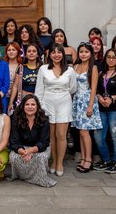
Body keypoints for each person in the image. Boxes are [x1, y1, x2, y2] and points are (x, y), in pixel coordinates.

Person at [35, 43, 77, 176]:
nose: (56, 55)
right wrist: (40, 107)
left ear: (63, 55)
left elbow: (73, 88)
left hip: (64, 101)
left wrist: (61, 93)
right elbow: (39, 89)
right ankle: (53, 161)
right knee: (51, 135)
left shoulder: (70, 70)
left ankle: (60, 163)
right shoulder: (43, 69)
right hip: (47, 102)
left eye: (59, 52)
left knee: (61, 134)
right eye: (53, 52)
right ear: (49, 55)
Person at [9, 94, 56, 188]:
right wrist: (23, 151)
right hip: (22, 147)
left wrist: (31, 150)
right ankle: (23, 176)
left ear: (37, 106)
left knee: (40, 157)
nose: (30, 107)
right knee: (14, 157)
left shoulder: (44, 119)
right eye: (27, 104)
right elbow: (14, 141)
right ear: (23, 106)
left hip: (39, 148)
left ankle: (38, 178)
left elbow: (44, 142)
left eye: (33, 104)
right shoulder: (16, 118)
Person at [71, 42, 102, 173]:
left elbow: (94, 88)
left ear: (91, 54)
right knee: (80, 131)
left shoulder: (93, 67)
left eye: (86, 52)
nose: (83, 54)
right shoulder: (75, 66)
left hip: (87, 100)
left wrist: (90, 106)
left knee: (85, 132)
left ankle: (89, 159)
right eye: (81, 51)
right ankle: (83, 158)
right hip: (77, 100)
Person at [8, 44, 41, 113]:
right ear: (25, 54)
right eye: (29, 51)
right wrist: (11, 102)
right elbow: (15, 86)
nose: (31, 53)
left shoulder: (42, 68)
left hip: (38, 100)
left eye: (34, 51)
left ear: (37, 54)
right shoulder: (21, 68)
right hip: (23, 100)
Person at [4, 42, 23, 115]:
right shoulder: (2, 65)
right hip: (3, 96)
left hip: (16, 98)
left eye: (13, 50)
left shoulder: (21, 66)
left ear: (18, 51)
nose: (11, 52)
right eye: (9, 50)